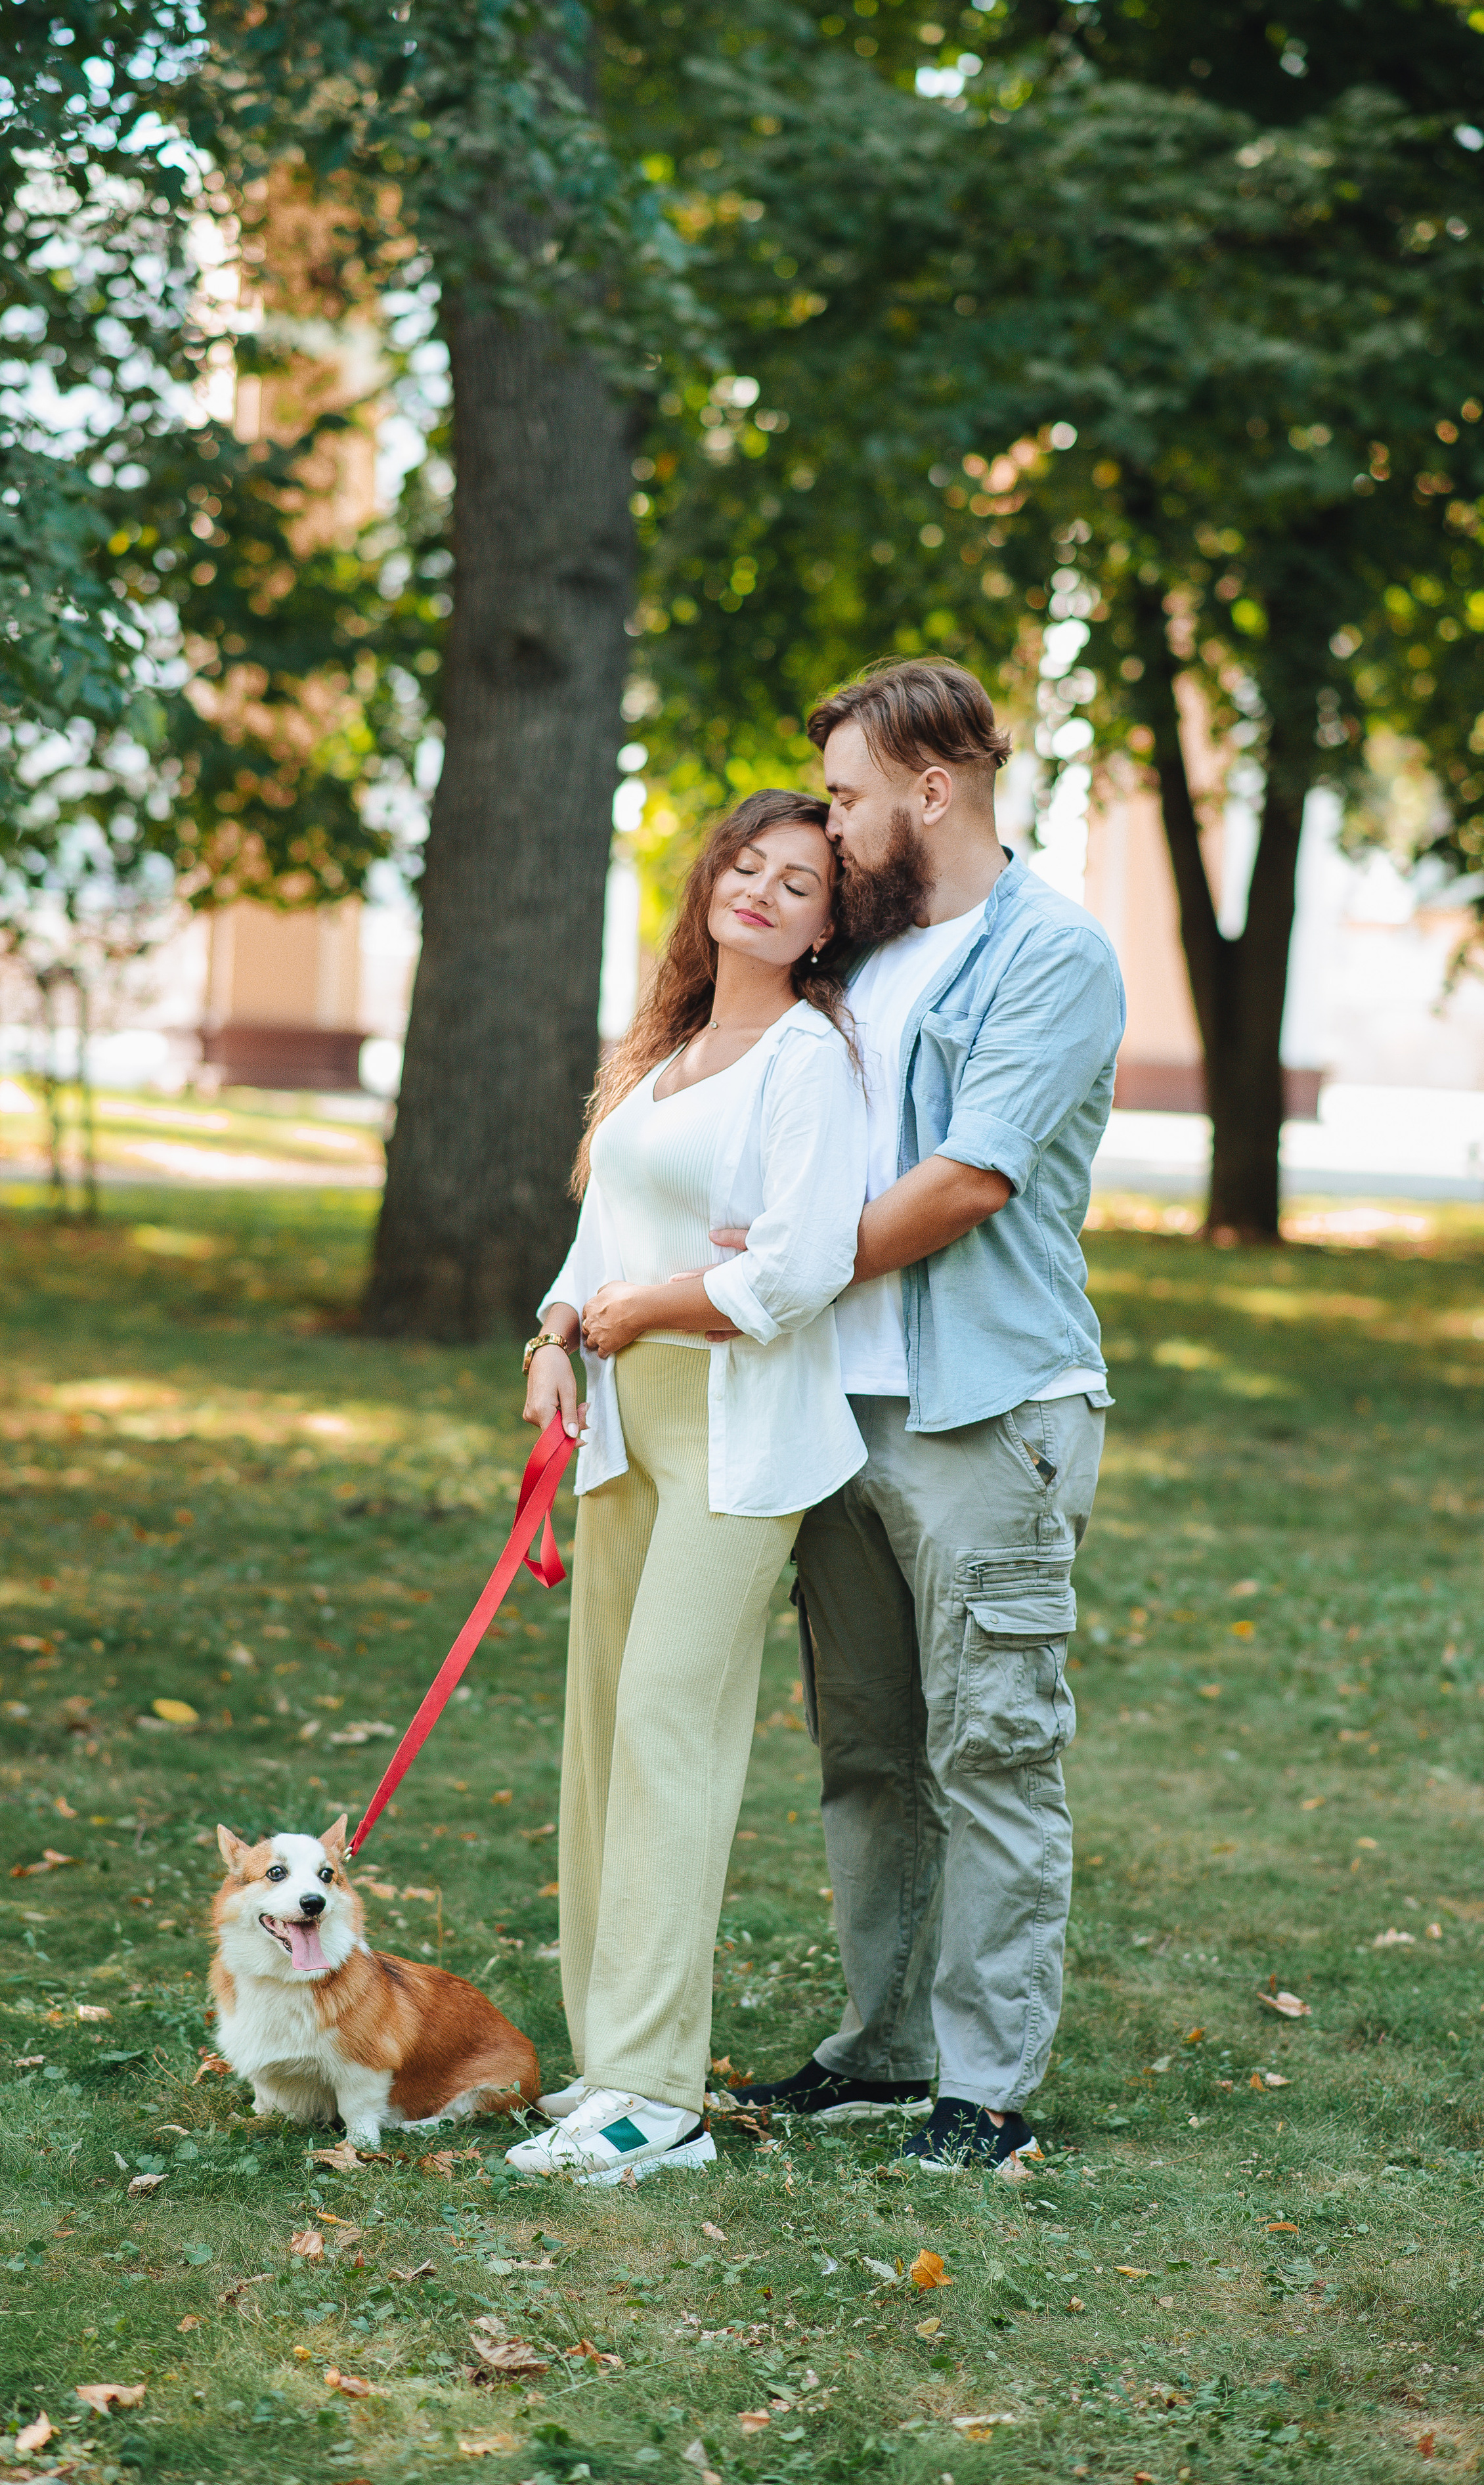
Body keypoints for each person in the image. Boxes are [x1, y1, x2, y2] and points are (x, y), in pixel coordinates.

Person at [730, 657, 1126, 2172]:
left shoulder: (1051, 953)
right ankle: (883, 2047)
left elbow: (965, 1181)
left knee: (993, 1748)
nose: (828, 829)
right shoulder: (865, 947)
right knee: (868, 1751)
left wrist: (775, 1276)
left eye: (842, 797)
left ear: (929, 787)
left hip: (987, 1409)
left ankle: (986, 2086)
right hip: (844, 1410)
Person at [506, 789, 869, 2185]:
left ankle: (656, 2096)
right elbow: (597, 1234)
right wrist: (553, 1335)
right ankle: (608, 2060)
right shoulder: (661, 1050)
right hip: (621, 1420)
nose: (764, 890)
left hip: (737, 1429)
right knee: (600, 1730)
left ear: (828, 921)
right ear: (710, 876)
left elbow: (791, 1271)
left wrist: (645, 1304)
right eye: (747, 864)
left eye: (798, 881)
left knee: (669, 1722)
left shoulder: (805, 1059)